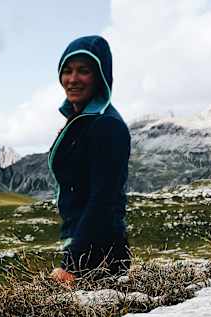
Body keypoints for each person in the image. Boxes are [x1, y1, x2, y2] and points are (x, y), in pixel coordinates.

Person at [48, 35, 130, 284]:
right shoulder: (81, 120)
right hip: (86, 249)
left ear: (100, 76)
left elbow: (102, 199)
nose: (72, 79)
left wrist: (72, 263)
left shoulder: (107, 126)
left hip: (100, 256)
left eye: (83, 71)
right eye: (67, 70)